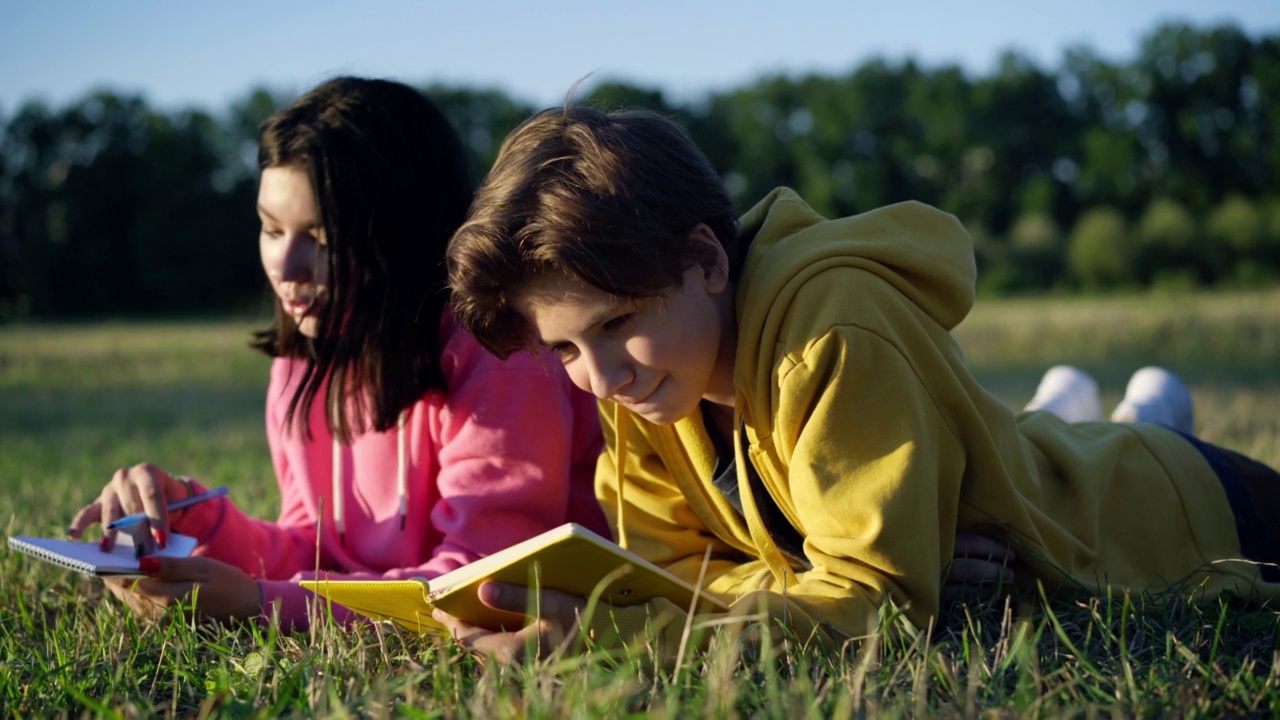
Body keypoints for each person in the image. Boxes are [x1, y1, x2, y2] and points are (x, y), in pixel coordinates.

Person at [438, 105, 1280, 661]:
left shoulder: (832, 329)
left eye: (616, 323)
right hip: (1071, 465)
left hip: (1185, 511)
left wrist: (622, 637)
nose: (601, 375)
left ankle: (1145, 402)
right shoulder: (648, 382)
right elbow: (675, 570)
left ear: (704, 260)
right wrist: (824, 574)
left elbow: (874, 614)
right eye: (568, 349)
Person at [66, 78, 609, 630]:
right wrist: (192, 512)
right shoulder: (302, 359)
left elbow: (480, 581)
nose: (287, 267)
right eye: (271, 229)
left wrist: (262, 603)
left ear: (404, 233)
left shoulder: (503, 355)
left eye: (322, 240)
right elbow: (316, 550)